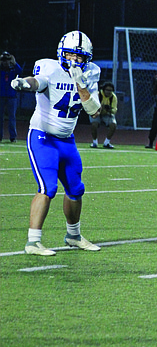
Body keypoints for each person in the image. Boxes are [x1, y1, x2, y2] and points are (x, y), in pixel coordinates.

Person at [10, 31, 102, 256]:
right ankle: (33, 242)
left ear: (87, 58)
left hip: (66, 140)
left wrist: (80, 84)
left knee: (76, 189)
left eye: (80, 56)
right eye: (70, 54)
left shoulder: (91, 73)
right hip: (42, 136)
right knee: (47, 187)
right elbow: (38, 82)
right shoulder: (49, 67)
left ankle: (73, 236)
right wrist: (24, 83)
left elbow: (95, 112)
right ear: (62, 53)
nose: (74, 60)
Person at [0, 51, 22, 143]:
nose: (6, 62)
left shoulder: (13, 69)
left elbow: (20, 71)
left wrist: (14, 62)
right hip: (1, 96)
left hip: (12, 97)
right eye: (4, 60)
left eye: (7, 60)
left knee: (12, 117)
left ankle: (13, 137)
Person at [90, 81, 118, 149]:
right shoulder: (97, 95)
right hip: (97, 112)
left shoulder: (113, 97)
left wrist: (109, 109)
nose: (109, 92)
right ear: (103, 89)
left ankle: (107, 142)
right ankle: (94, 142)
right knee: (94, 124)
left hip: (107, 113)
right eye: (107, 90)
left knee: (113, 125)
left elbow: (115, 110)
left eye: (111, 90)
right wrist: (100, 108)